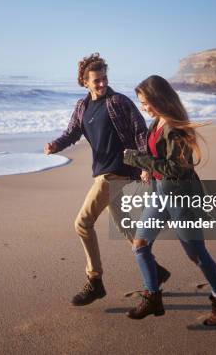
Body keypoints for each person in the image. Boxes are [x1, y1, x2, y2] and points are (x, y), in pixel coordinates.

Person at [44, 53, 171, 306]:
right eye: (96, 81)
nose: (102, 84)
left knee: (82, 223)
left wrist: (144, 165)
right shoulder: (82, 106)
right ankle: (155, 271)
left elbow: (139, 132)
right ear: (84, 82)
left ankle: (95, 281)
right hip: (105, 171)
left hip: (116, 172)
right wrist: (55, 145)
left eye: (104, 79)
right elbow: (72, 132)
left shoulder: (118, 102)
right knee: (127, 230)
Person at [122, 75, 216, 325]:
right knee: (140, 245)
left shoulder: (175, 128)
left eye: (145, 102)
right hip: (159, 195)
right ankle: (152, 297)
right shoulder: (157, 123)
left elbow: (177, 168)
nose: (143, 108)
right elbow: (158, 159)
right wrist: (147, 169)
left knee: (196, 254)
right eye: (140, 103)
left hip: (182, 199)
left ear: (158, 98)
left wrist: (138, 160)